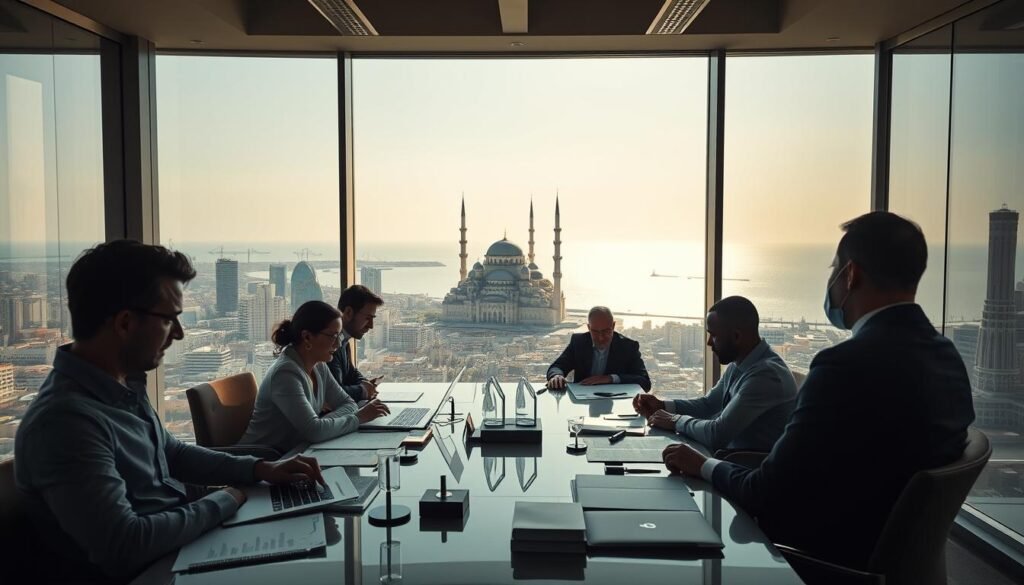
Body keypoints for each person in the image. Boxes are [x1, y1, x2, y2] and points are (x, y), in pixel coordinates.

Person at [662, 212, 975, 571]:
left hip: (830, 555)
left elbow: (767, 494)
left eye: (833, 269)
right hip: (905, 562)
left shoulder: (844, 365)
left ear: (851, 275)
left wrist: (703, 465)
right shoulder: (947, 357)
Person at [14, 240, 327, 582]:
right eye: (170, 319)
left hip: (184, 548)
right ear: (125, 323)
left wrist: (261, 469)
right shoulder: (65, 423)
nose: (178, 333)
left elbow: (171, 454)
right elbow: (125, 545)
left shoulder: (122, 385)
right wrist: (223, 500)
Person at [635, 296, 797, 453]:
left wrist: (675, 421)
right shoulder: (741, 362)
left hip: (746, 469)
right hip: (728, 460)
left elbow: (717, 434)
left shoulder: (766, 376)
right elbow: (709, 405)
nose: (709, 343)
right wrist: (663, 406)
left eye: (713, 335)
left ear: (736, 336)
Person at [240, 300, 390, 453]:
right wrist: (357, 418)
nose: (338, 344)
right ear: (307, 337)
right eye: (333, 336)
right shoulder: (285, 374)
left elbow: (348, 404)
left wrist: (322, 425)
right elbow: (315, 431)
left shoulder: (319, 365)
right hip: (261, 462)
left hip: (296, 454)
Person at [547, 306, 652, 391]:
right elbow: (557, 366)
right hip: (583, 402)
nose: (601, 337)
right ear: (588, 328)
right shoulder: (579, 342)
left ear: (613, 326)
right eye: (595, 332)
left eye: (606, 331)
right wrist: (557, 376)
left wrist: (611, 378)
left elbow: (644, 382)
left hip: (617, 404)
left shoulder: (628, 347)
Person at [328, 285, 385, 402]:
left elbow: (351, 373)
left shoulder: (344, 341)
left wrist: (366, 384)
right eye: (368, 318)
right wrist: (363, 390)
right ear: (348, 312)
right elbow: (333, 394)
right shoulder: (330, 345)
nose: (371, 326)